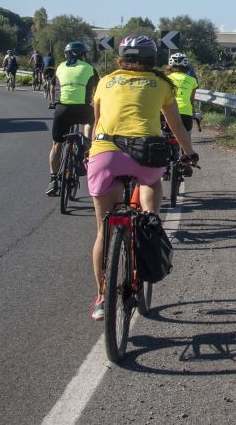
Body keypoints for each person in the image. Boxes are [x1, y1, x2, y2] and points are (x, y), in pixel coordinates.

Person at [86, 35, 197, 321]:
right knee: (150, 182)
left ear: (121, 57)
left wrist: (92, 153)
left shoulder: (105, 81)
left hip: (105, 153)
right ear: (152, 59)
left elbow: (96, 122)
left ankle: (101, 298)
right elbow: (175, 126)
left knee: (103, 231)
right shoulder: (162, 83)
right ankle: (150, 223)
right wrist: (189, 153)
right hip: (145, 155)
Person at [47, 42, 99, 197]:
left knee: (57, 144)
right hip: (83, 109)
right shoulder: (89, 68)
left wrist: (53, 102)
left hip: (62, 109)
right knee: (93, 121)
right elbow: (98, 90)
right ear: (82, 54)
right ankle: (86, 146)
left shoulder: (60, 67)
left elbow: (52, 87)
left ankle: (53, 179)